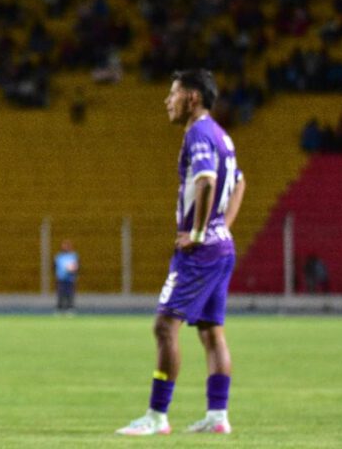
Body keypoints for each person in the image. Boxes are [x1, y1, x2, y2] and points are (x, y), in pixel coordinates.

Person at [117, 69, 246, 436]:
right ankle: (217, 416)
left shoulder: (199, 133)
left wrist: (200, 232)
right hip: (222, 247)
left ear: (192, 98)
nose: (167, 101)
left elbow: (207, 180)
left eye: (173, 94)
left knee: (164, 326)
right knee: (210, 331)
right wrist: (222, 227)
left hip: (202, 251)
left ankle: (157, 417)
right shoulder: (223, 136)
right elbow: (240, 183)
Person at [54, 240, 79, 313]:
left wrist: (73, 269)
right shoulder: (59, 256)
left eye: (66, 246)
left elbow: (76, 266)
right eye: (64, 246)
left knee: (69, 294)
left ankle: (70, 308)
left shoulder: (73, 256)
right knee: (60, 294)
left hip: (70, 278)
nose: (65, 247)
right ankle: (59, 308)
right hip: (61, 278)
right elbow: (55, 266)